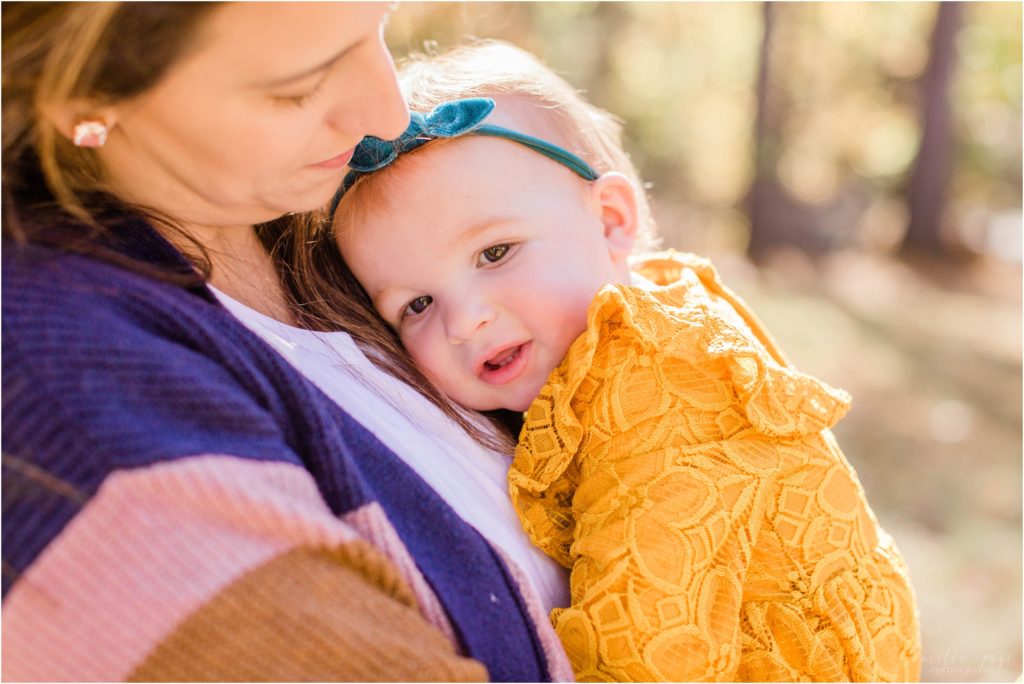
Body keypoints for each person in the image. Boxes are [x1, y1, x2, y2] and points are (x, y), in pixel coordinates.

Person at [2, 5, 574, 681]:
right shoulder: (65, 403)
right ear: (82, 95)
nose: (388, 115)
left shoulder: (350, 224)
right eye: (298, 87)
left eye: (379, 23)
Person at [331, 41, 923, 682]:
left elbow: (647, 636)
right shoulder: (628, 325)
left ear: (611, 221)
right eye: (416, 303)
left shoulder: (658, 385)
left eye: (495, 253)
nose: (463, 319)